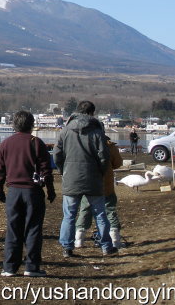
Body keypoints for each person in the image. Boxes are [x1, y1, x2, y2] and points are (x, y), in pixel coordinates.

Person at [0, 110, 55, 277]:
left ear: (14, 125)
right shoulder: (37, 143)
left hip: (13, 192)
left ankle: (9, 268)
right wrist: (50, 189)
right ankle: (32, 267)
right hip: (33, 192)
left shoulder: (6, 143)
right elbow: (46, 170)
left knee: (13, 229)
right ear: (31, 124)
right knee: (33, 229)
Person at [53, 100, 117, 258]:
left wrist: (63, 170)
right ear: (91, 113)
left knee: (69, 215)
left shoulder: (65, 131)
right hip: (93, 178)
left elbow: (57, 154)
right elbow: (104, 156)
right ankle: (106, 246)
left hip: (71, 178)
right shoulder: (97, 131)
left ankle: (67, 247)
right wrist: (100, 172)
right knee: (100, 214)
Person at [74, 135, 124, 248]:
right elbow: (118, 163)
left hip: (87, 184)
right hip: (106, 186)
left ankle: (79, 240)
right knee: (109, 210)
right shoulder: (109, 145)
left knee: (85, 210)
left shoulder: (82, 143)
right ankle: (115, 239)